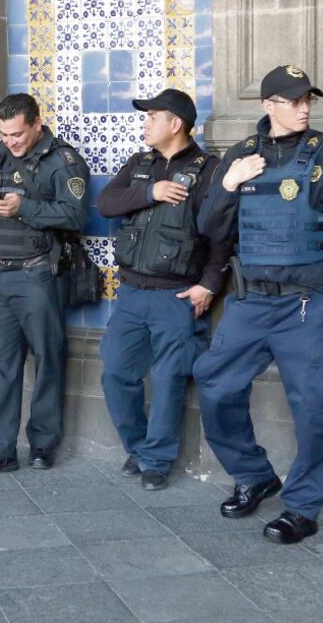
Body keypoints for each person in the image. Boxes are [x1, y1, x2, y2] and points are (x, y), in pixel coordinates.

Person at [194, 65, 323, 543]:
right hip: (250, 303)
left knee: (315, 406)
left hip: (305, 308)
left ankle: (301, 507)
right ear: (267, 105)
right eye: (294, 100)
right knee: (214, 384)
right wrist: (229, 183)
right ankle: (254, 475)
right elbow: (211, 229)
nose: (304, 108)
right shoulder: (240, 156)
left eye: (307, 100)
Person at [97, 89, 227, 491]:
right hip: (132, 292)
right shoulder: (141, 164)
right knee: (116, 372)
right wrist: (149, 192)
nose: (145, 123)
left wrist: (208, 284)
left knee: (170, 379)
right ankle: (137, 448)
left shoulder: (209, 170)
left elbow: (222, 236)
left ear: (175, 124)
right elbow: (106, 203)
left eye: (152, 116)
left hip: (177, 295)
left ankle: (157, 459)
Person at [0, 93, 89, 476]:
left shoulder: (63, 161)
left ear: (36, 124)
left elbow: (76, 214)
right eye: (4, 134)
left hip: (37, 275)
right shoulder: (2, 153)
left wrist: (25, 209)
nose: (10, 141)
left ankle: (43, 444)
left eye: (17, 134)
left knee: (48, 358)